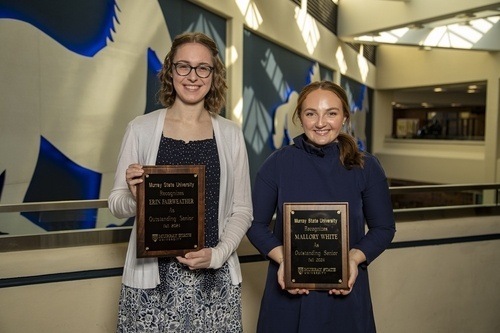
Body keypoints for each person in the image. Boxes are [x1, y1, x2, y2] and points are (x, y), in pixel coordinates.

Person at [108, 32, 253, 332]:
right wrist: (136, 196)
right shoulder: (141, 129)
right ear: (170, 71)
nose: (193, 76)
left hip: (215, 281)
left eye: (203, 68)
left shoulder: (230, 134)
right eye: (183, 66)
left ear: (214, 76)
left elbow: (242, 209)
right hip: (152, 285)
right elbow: (116, 204)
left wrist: (218, 254)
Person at [246, 80, 396, 333]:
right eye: (311, 113)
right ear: (300, 117)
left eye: (331, 113)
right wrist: (286, 261)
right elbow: (255, 224)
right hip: (287, 292)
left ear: (345, 117)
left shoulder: (367, 167)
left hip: (345, 291)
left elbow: (383, 228)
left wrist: (352, 259)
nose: (320, 123)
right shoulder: (278, 164)